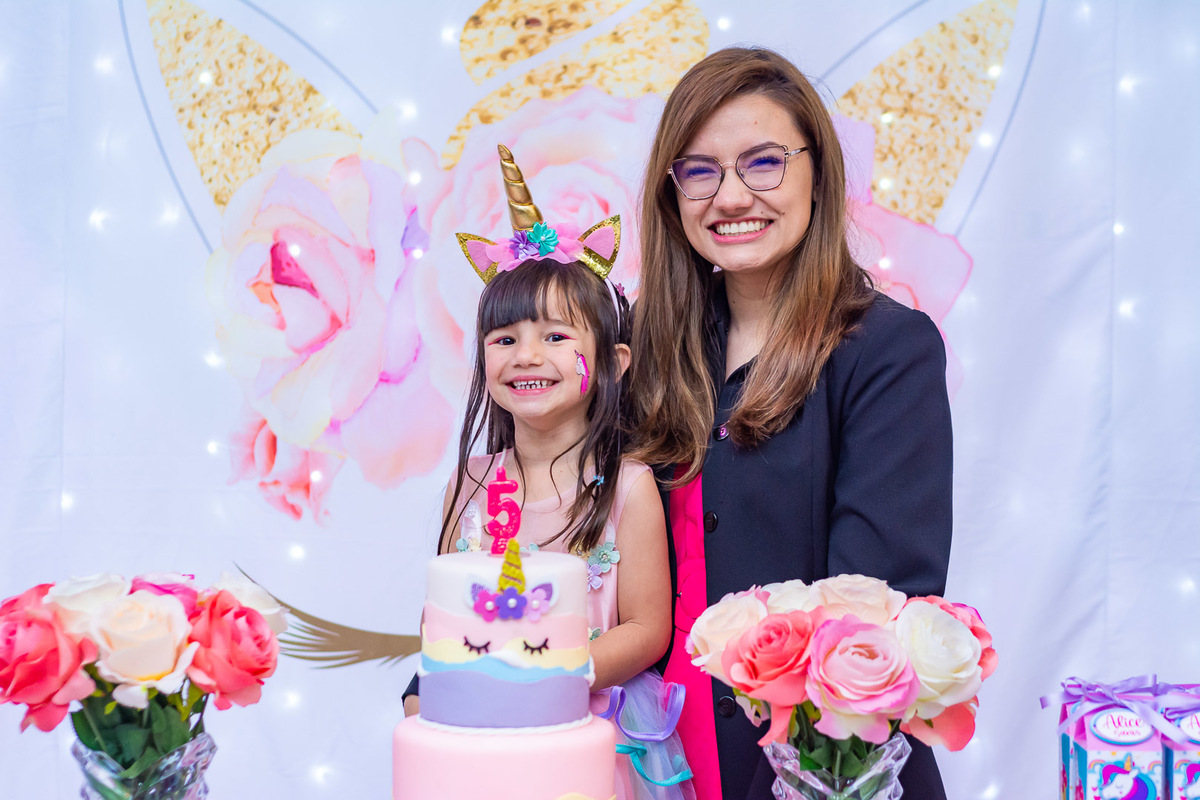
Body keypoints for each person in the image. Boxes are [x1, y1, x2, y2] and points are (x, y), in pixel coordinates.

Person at [627, 48, 954, 800]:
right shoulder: (647, 347)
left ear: (817, 173)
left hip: (819, 767)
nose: (730, 195)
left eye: (764, 162)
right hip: (660, 756)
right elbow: (566, 514)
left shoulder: (886, 351)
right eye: (700, 170)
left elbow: (876, 606)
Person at [405, 146, 695, 800]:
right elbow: (444, 617)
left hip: (588, 733)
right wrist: (442, 693)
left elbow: (648, 629)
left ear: (613, 361)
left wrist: (547, 680)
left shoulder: (629, 486)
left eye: (556, 336)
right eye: (505, 339)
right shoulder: (469, 483)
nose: (527, 355)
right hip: (483, 735)